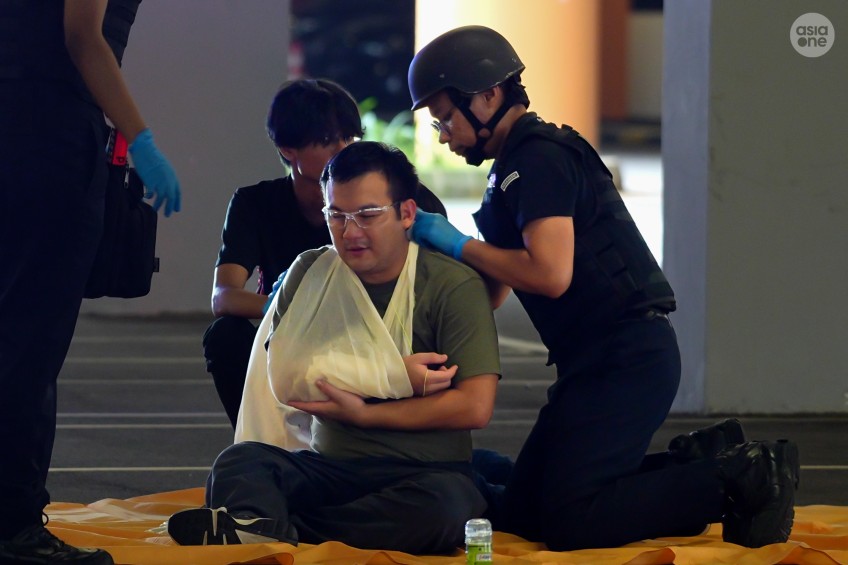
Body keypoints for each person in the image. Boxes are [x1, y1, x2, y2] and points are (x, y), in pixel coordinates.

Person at [406, 25, 799, 550]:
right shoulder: (510, 173)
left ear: (487, 95)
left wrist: (457, 244)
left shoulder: (538, 158)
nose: (444, 134)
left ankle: (741, 476)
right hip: (593, 362)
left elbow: (550, 274)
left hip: (626, 358)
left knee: (571, 521)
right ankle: (703, 460)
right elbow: (499, 290)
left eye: (446, 118)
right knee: (524, 513)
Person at [168, 141, 500, 554]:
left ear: (407, 214)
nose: (350, 231)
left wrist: (364, 410)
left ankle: (277, 528)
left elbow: (474, 407)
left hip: (424, 472)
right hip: (329, 468)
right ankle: (273, 526)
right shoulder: (309, 273)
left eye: (367, 215)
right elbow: (289, 378)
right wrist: (396, 376)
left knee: (451, 507)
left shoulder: (452, 286)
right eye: (336, 215)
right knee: (239, 463)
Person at [0, 1, 181, 564]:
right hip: (46, 134)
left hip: (18, 122)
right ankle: (13, 528)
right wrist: (141, 138)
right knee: (30, 343)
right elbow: (84, 37)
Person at [203, 78, 446, 428]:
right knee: (225, 335)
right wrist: (303, 308)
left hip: (381, 333)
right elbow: (223, 298)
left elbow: (445, 285)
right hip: (295, 339)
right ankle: (259, 438)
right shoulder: (255, 203)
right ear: (289, 149)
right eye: (330, 141)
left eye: (350, 137)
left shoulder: (405, 201)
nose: (345, 149)